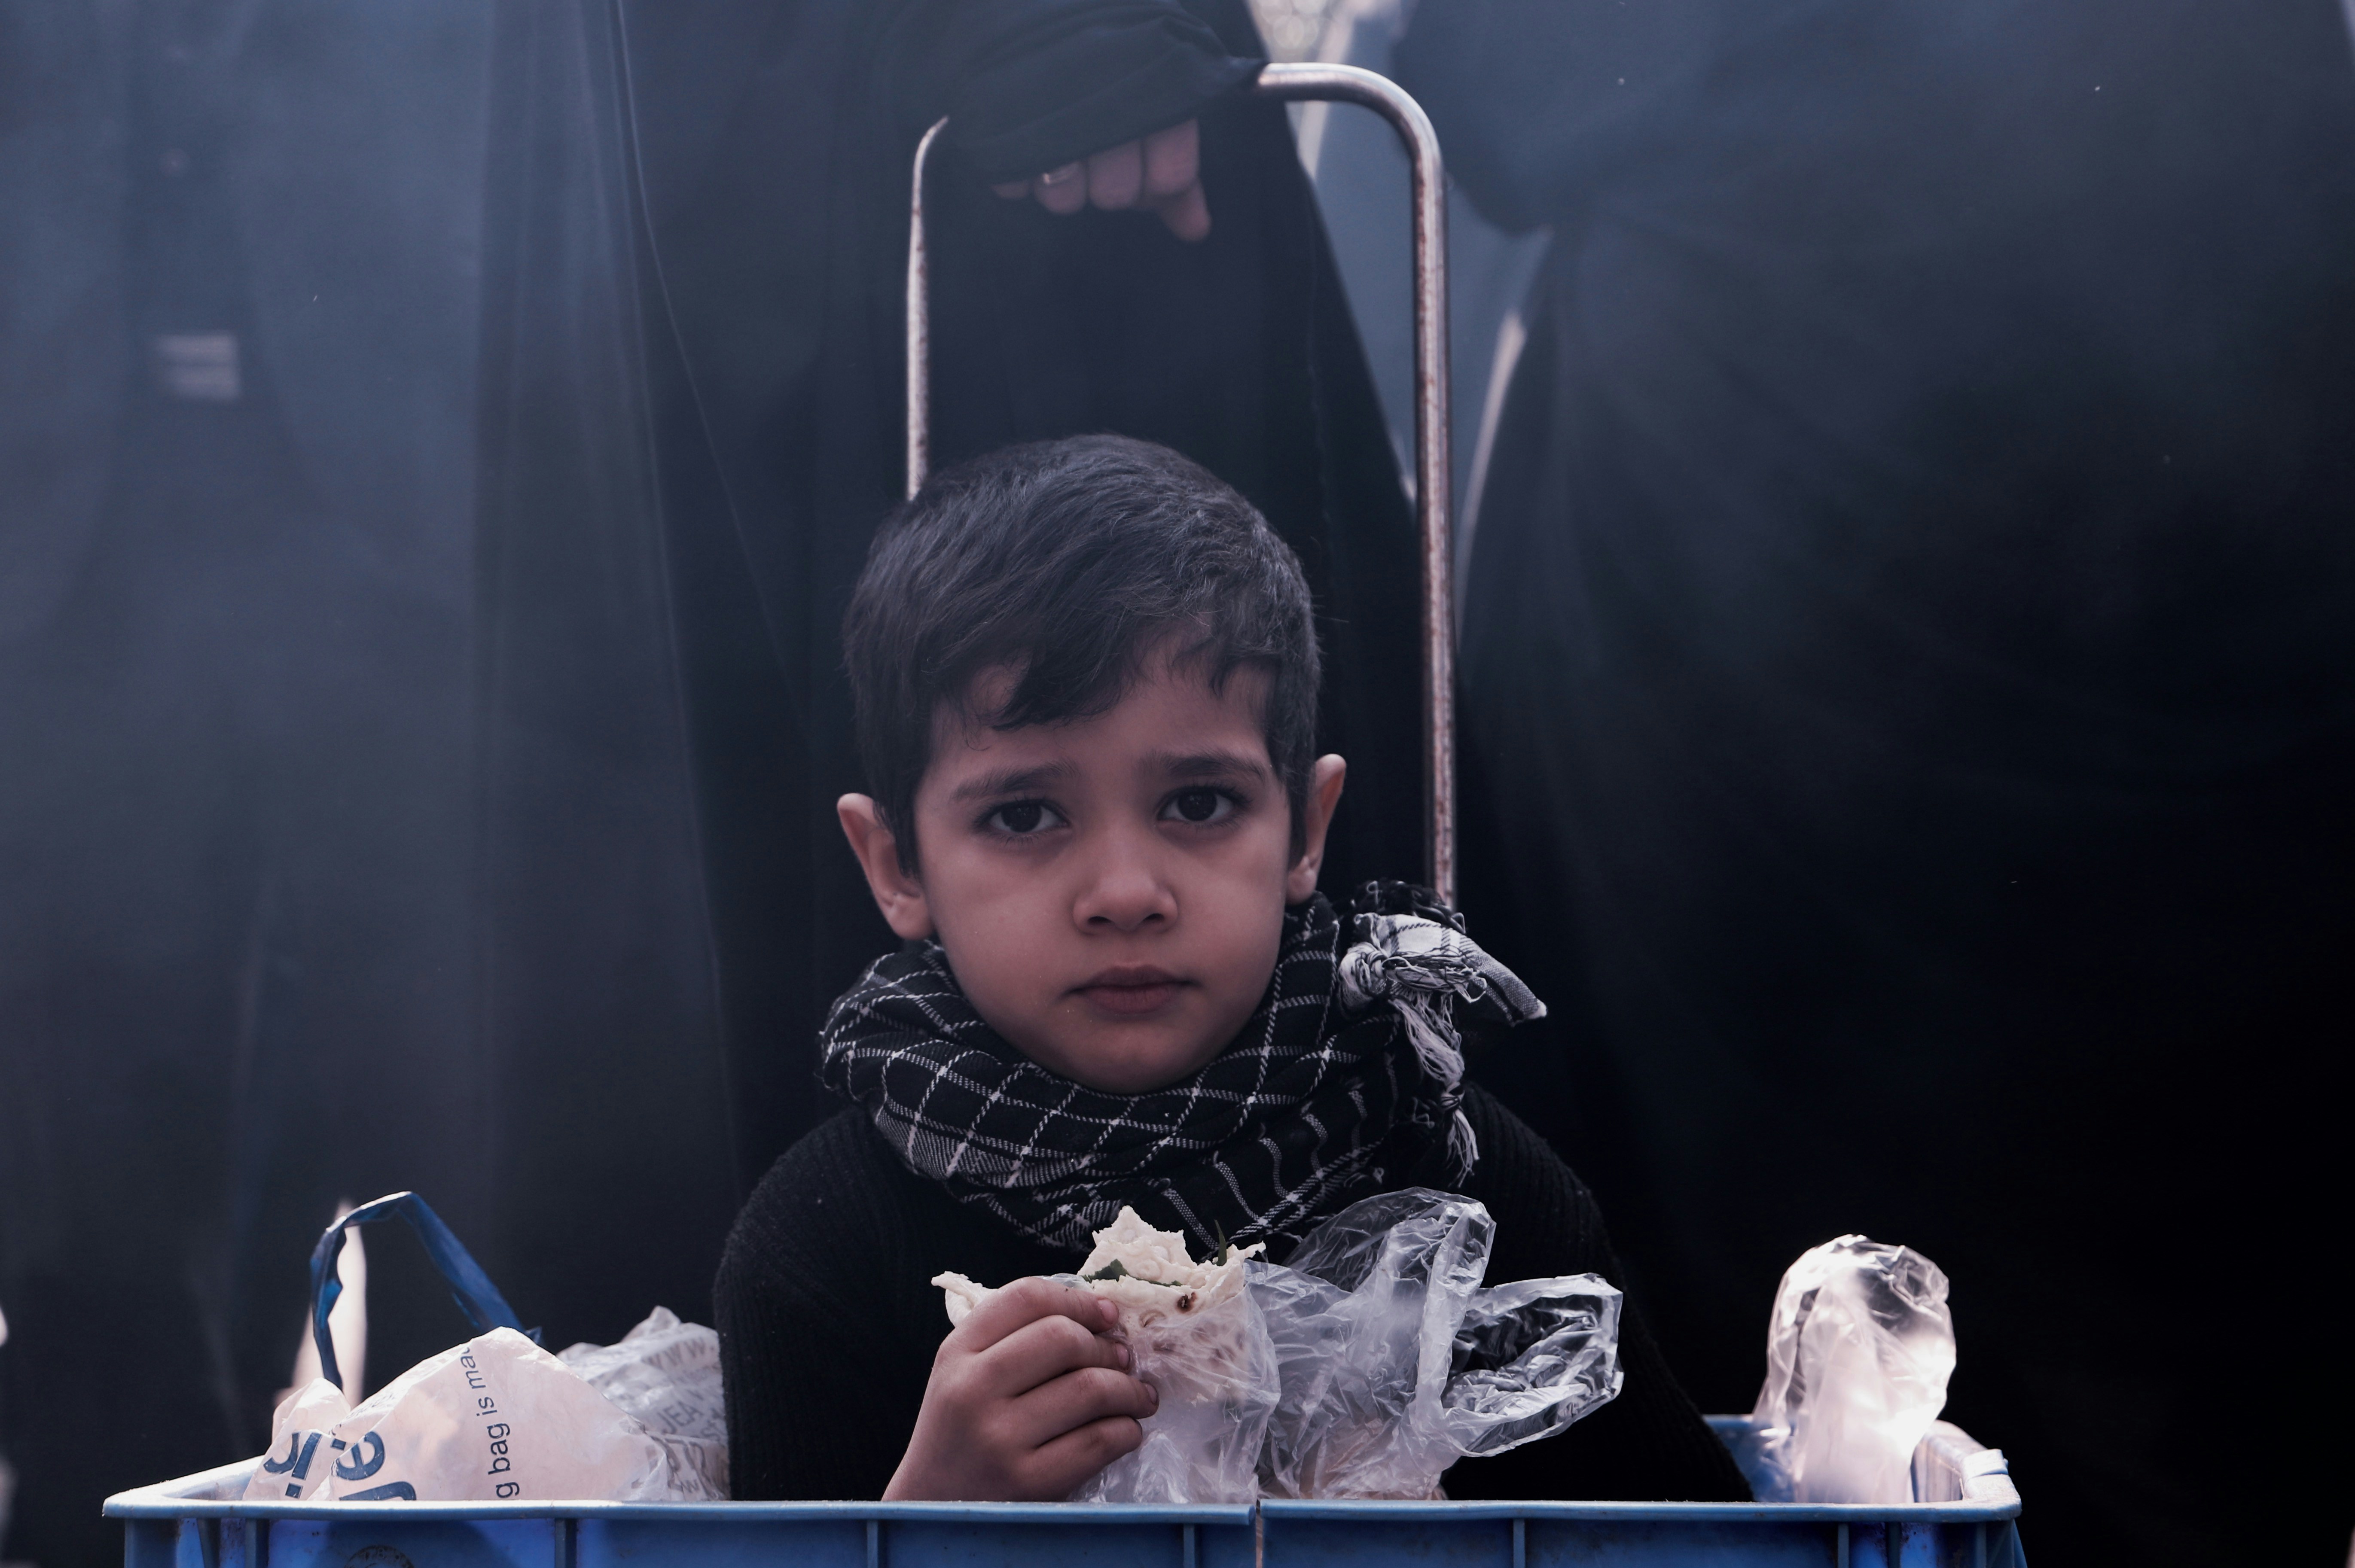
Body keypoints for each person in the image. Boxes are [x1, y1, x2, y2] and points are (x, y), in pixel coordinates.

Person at [713, 435, 1748, 1504]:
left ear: (1305, 828)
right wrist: (934, 1510)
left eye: (1197, 803)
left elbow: (1684, 1535)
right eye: (1022, 814)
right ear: (897, 864)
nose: (1124, 889)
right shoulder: (827, 1242)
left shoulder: (1460, 1174)